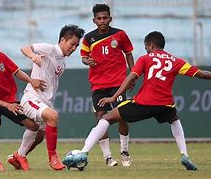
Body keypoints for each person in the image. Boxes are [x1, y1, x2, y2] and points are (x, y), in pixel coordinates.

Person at [66, 31, 211, 171]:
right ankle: (184, 155)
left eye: (146, 47)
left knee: (106, 118)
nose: (146, 50)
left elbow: (131, 77)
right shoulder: (176, 61)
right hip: (165, 105)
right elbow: (202, 74)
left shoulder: (145, 58)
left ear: (151, 46)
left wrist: (114, 97)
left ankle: (83, 152)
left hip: (143, 102)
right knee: (174, 119)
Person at [8, 24, 85, 171]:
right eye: (72, 44)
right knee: (53, 116)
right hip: (31, 98)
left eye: (76, 45)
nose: (74, 48)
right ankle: (53, 158)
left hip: (45, 101)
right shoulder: (49, 49)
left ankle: (19, 155)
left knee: (40, 135)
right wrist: (33, 56)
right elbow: (25, 48)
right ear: (63, 40)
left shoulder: (62, 61)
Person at [80, 4, 134, 167]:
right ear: (94, 20)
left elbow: (129, 53)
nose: (102, 21)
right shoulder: (89, 38)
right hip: (98, 84)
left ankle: (124, 151)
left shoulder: (120, 34)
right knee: (100, 117)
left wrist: (132, 75)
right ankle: (108, 157)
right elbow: (83, 56)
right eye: (99, 18)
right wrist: (86, 60)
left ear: (110, 18)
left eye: (105, 18)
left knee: (122, 115)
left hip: (118, 82)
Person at [0, 36, 46, 172]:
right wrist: (6, 105)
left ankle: (19, 155)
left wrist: (31, 81)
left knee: (34, 126)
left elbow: (16, 72)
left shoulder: (0, 56)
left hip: (10, 100)